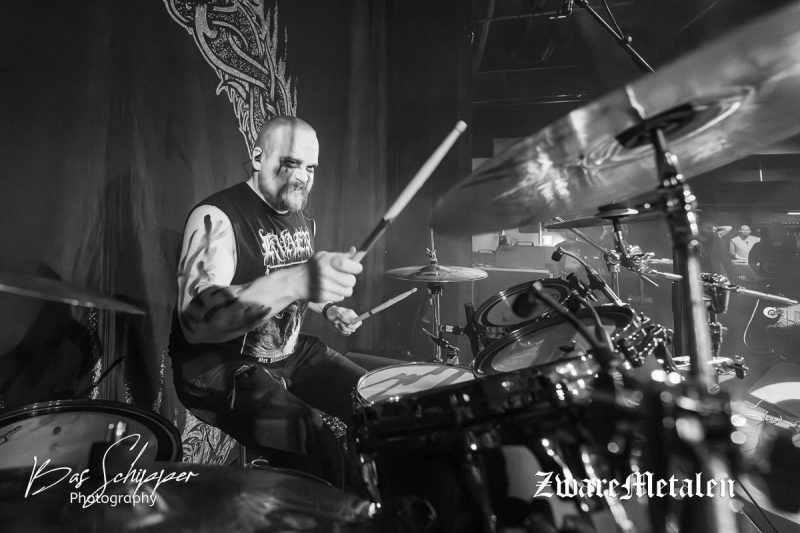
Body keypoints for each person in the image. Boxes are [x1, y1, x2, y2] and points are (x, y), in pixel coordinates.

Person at [168, 116, 367, 486]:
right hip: (220, 366)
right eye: (291, 163)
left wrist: (328, 307)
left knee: (373, 400)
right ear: (258, 158)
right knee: (315, 441)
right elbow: (197, 320)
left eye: (310, 167)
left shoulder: (298, 216)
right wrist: (295, 280)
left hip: (285, 353)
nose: (302, 177)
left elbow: (298, 282)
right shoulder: (216, 217)